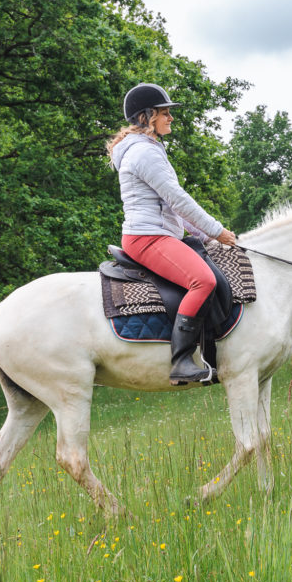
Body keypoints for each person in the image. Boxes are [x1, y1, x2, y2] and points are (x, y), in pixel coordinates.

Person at [107, 83, 237, 384]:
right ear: (147, 116)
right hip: (147, 237)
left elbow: (172, 206)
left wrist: (205, 237)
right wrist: (216, 230)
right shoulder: (143, 153)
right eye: (165, 112)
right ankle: (181, 361)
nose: (171, 118)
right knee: (201, 281)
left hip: (159, 234)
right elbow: (178, 199)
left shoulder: (151, 149)